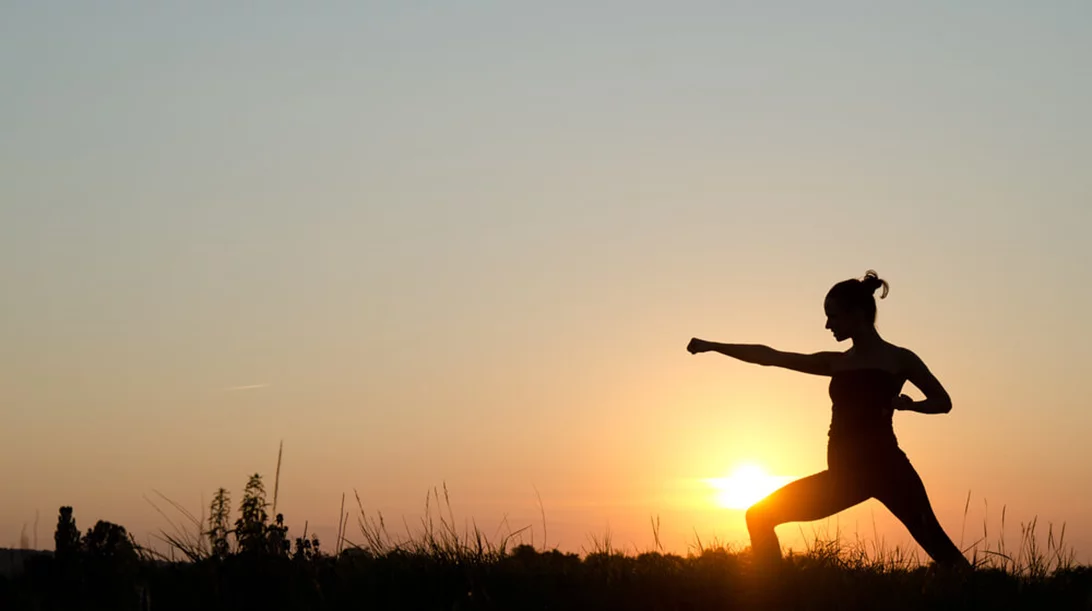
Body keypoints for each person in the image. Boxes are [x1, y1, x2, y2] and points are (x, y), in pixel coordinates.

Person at [686, 270, 970, 569]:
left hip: (889, 471)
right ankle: (774, 591)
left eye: (833, 316)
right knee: (759, 516)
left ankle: (981, 589)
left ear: (857, 314)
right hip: (843, 478)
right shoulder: (836, 362)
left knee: (941, 549)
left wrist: (911, 407)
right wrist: (714, 346)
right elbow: (771, 356)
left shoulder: (900, 358)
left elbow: (943, 402)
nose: (827, 324)